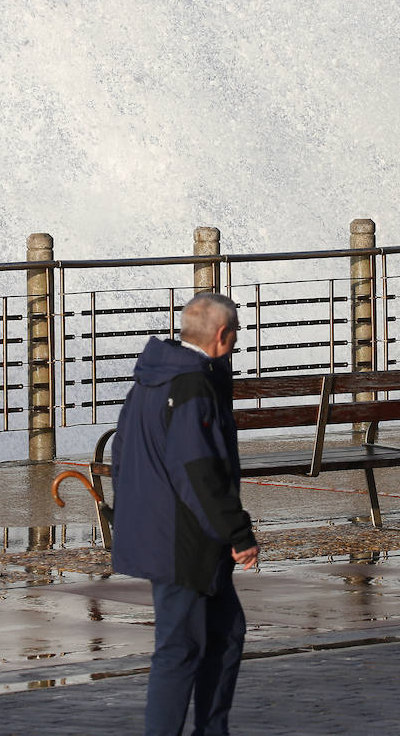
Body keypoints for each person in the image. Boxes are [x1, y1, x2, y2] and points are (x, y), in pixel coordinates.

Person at [111, 292, 259, 736]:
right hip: (183, 539)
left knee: (226, 634)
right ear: (222, 335)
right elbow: (199, 471)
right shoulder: (191, 385)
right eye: (236, 334)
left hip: (172, 532)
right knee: (178, 650)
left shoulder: (153, 378)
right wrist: (239, 533)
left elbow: (121, 454)